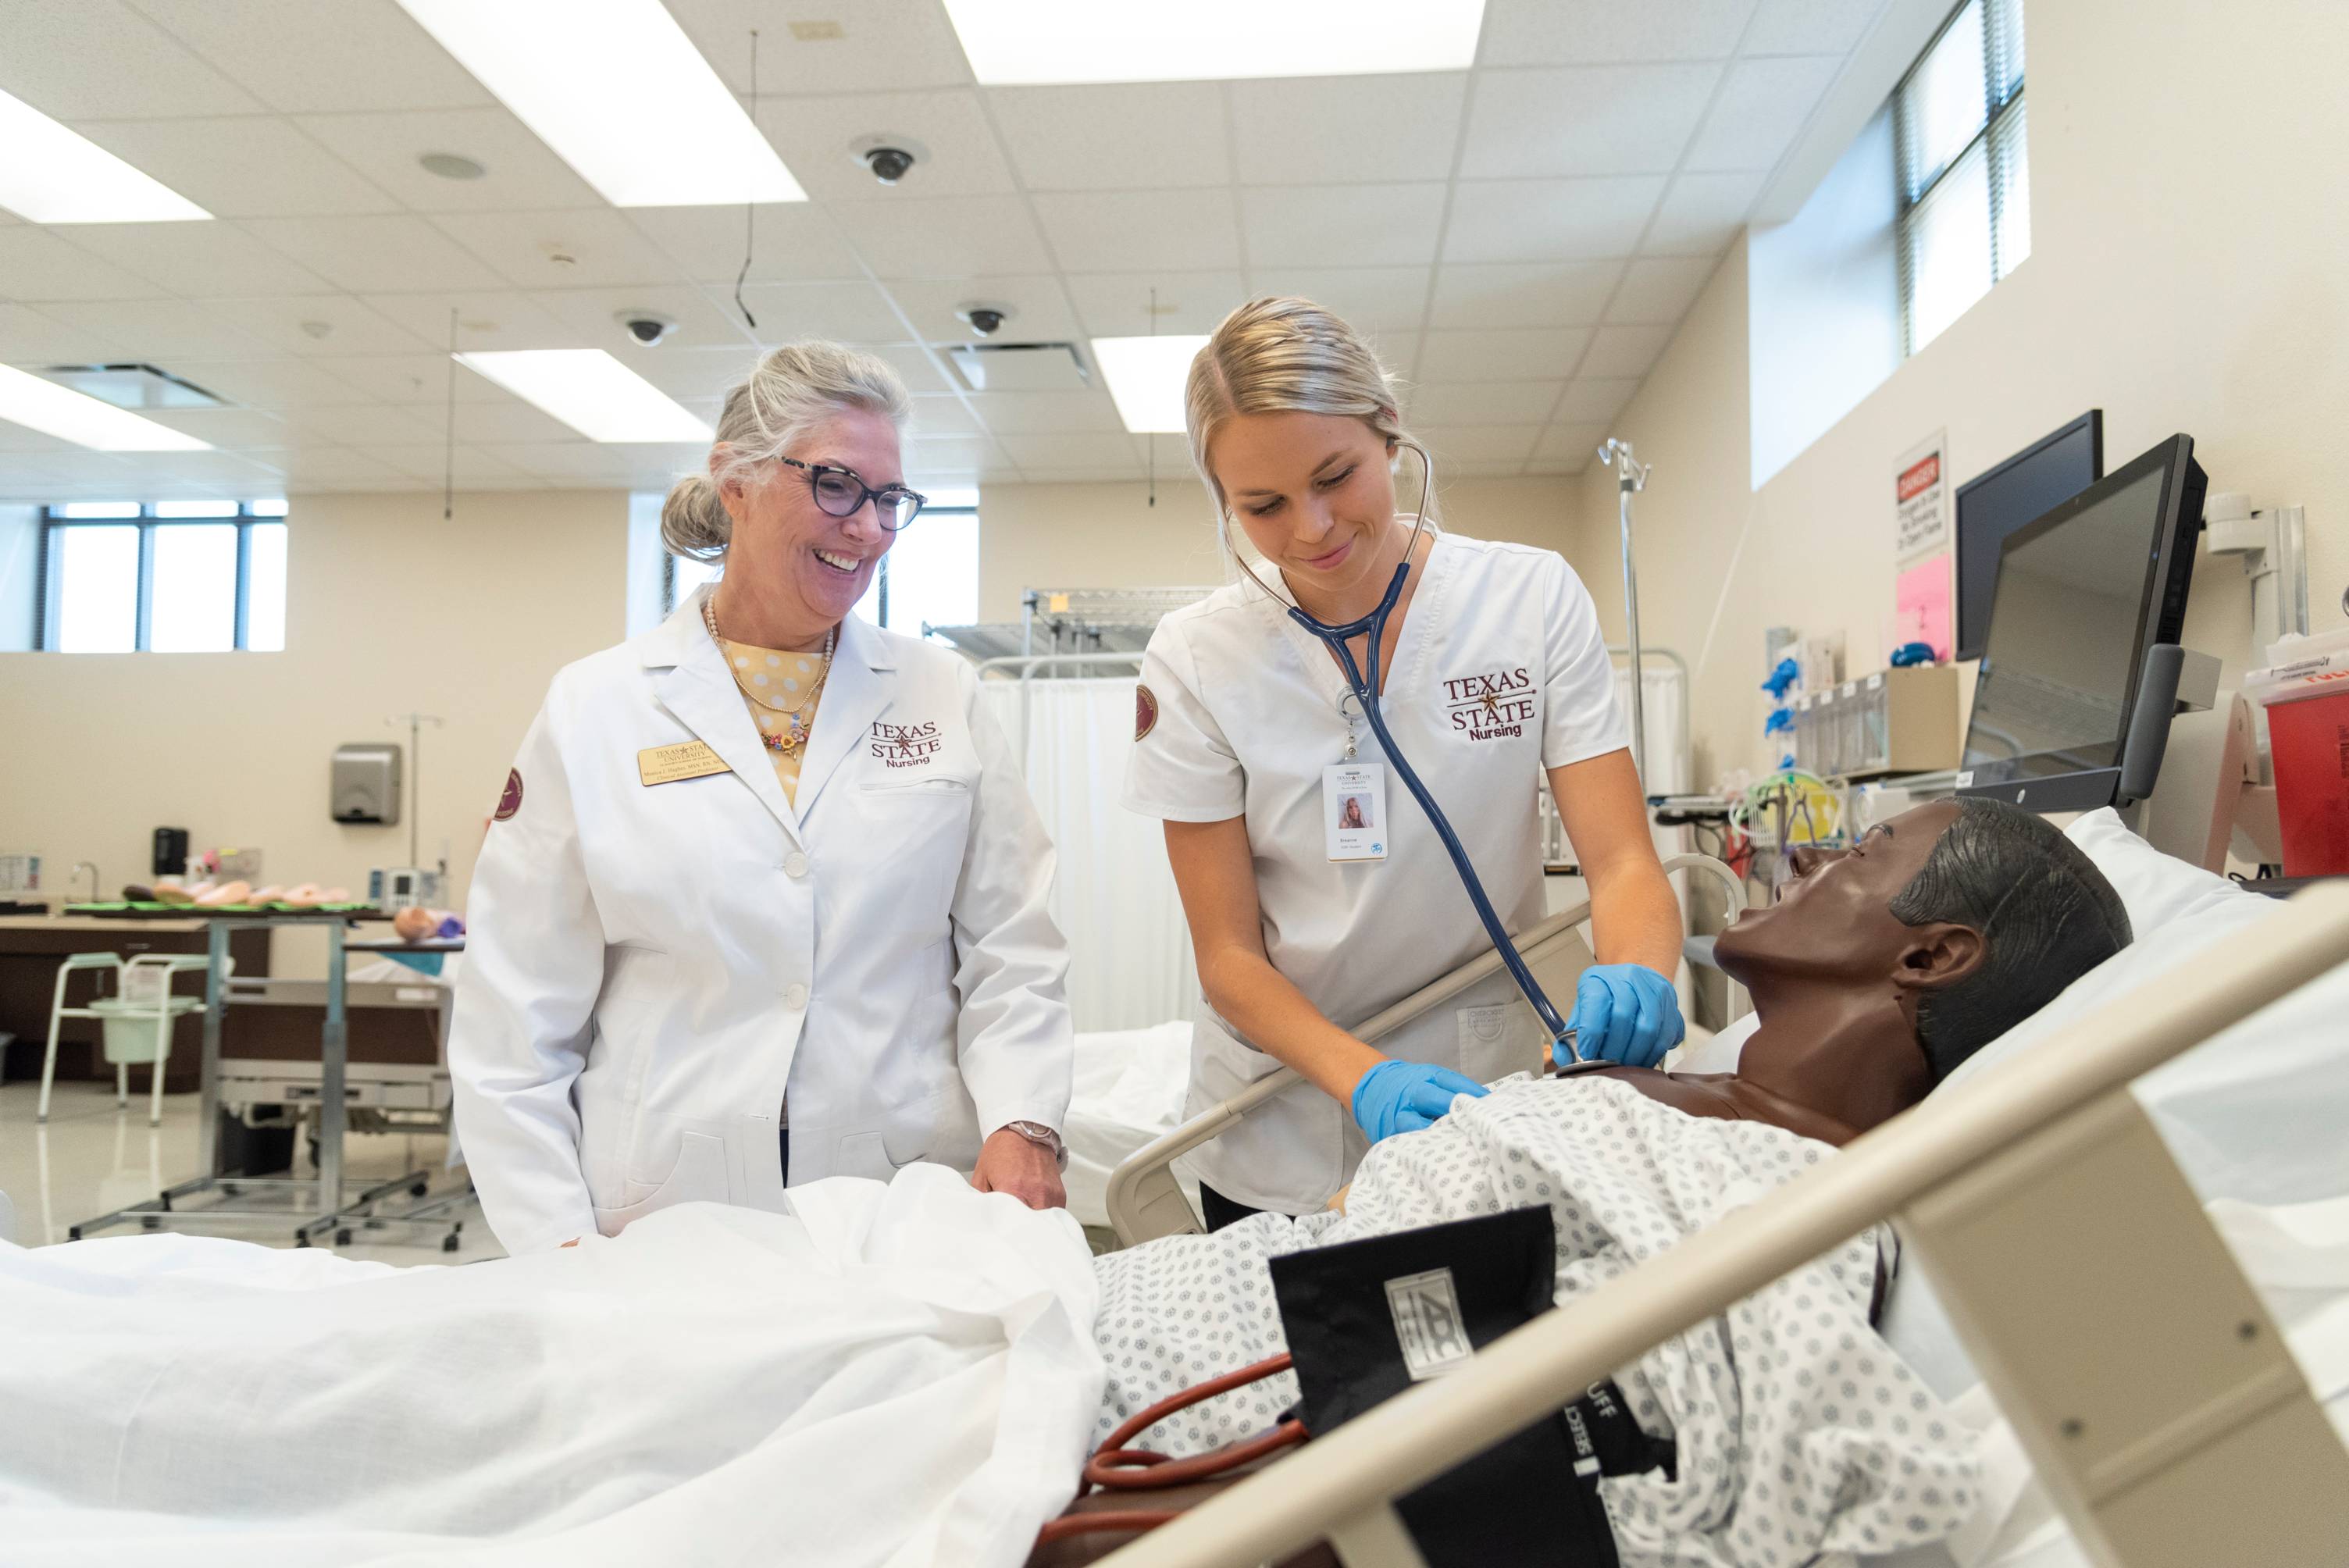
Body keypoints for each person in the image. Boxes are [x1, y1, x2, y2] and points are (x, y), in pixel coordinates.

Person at [451, 342, 1075, 1256]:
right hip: (659, 1208)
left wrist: (1025, 1121)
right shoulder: (598, 705)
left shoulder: (942, 692)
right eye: (835, 485)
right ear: (735, 480)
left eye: (888, 498)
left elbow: (1011, 949)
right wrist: (553, 1244)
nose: (867, 527)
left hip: (903, 1194)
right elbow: (517, 1011)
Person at [1123, 295, 1686, 1227]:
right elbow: (1226, 957)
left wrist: (1642, 974)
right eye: (1261, 505)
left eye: (1334, 475)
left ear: (1389, 434)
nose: (1309, 529)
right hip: (1282, 1118)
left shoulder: (1527, 598)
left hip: (1485, 1091)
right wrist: (1364, 1077)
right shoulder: (1194, 657)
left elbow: (1623, 863)